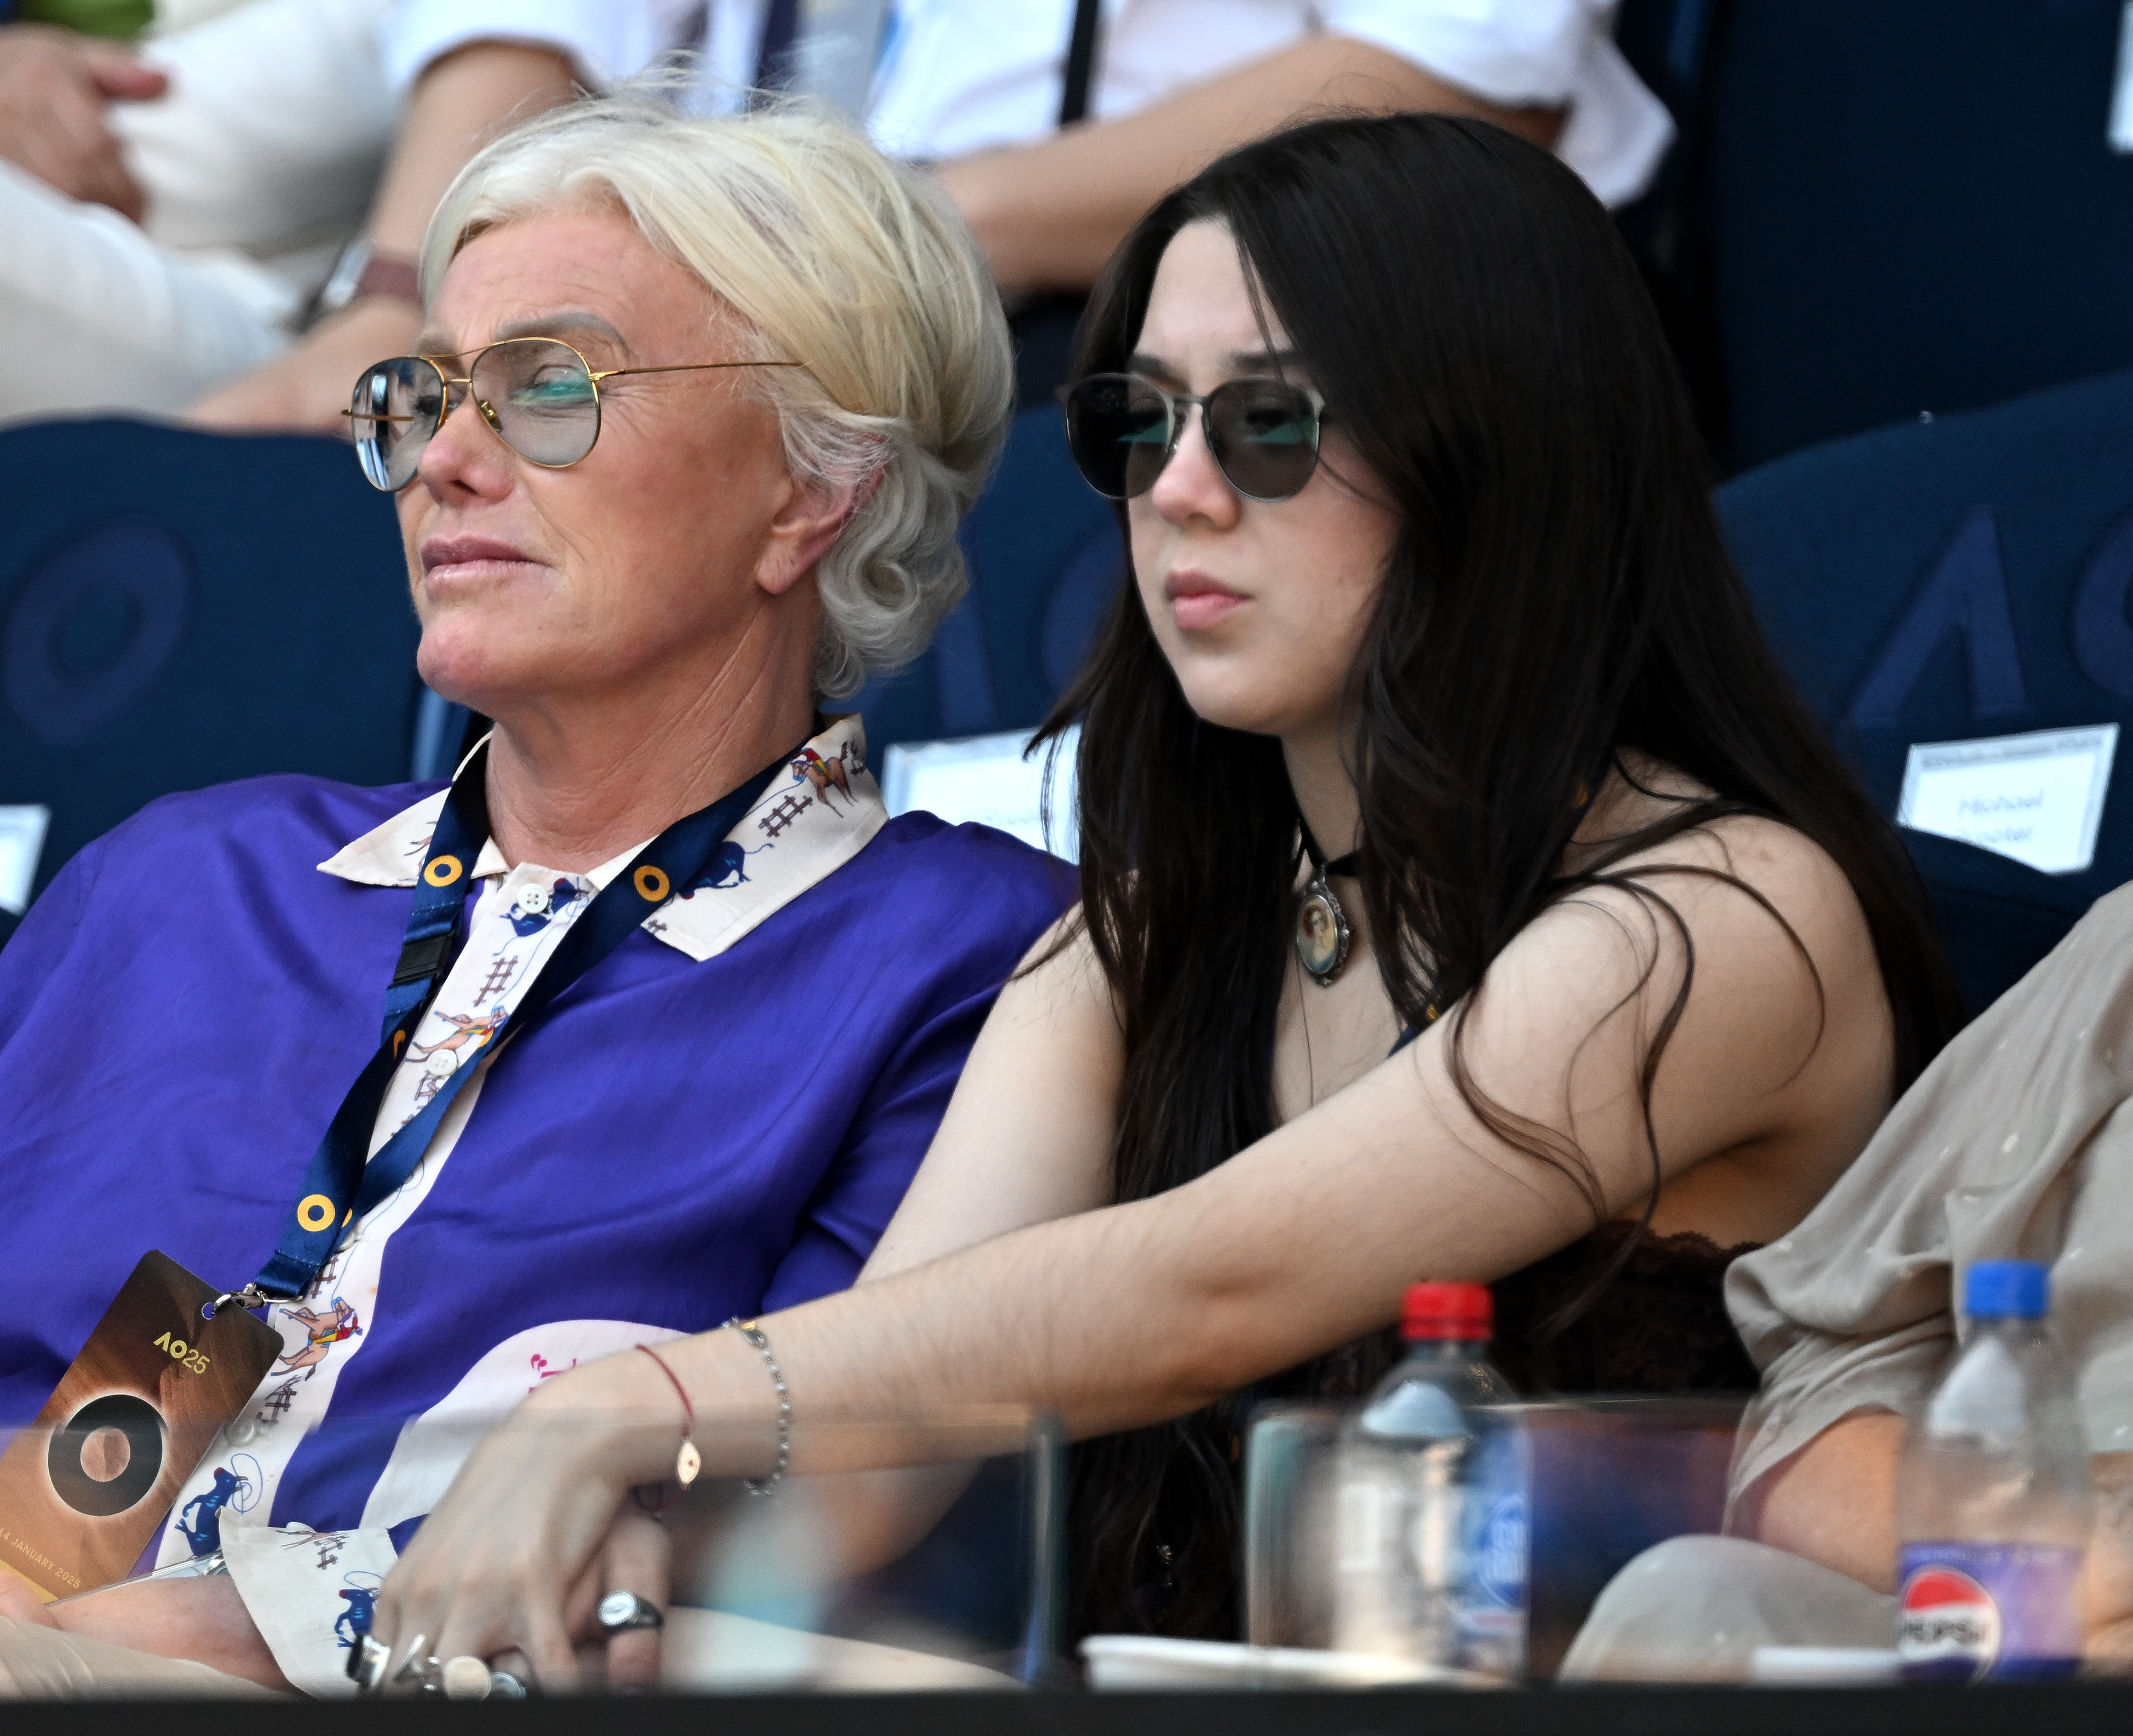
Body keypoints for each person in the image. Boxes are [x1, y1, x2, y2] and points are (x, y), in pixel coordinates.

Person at [343, 109, 1969, 1683]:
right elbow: (863, 1460)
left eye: (1268, 423)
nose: (1176, 491)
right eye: (1139, 424)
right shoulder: (1140, 936)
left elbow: (1214, 1286)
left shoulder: (1730, 913)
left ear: (1495, 449)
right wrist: (628, 1569)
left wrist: (621, 1410)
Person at [0, 92, 1071, 1701]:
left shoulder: (974, 961)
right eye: (420, 396)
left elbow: (798, 1533)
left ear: (812, 489)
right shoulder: (169, 888)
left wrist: (161, 1632)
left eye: (548, 391)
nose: (443, 460)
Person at [0, 0, 1671, 688]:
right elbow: (182, 1311)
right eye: (427, 416)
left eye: (513, 402)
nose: (445, 455)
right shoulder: (210, 924)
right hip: (194, 1567)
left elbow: (1458, 67)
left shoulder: (933, 980)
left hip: (1020, 321)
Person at [1560, 888, 2133, 1681]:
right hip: (2025, 1636)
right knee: (1685, 1605)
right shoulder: (2123, 951)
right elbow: (1827, 1385)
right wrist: (2073, 1555)